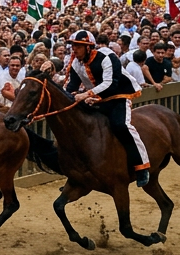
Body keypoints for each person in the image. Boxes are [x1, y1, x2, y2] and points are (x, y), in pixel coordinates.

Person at [65, 30, 151, 187]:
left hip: (119, 95)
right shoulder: (76, 63)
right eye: (73, 46)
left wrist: (87, 94)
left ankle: (142, 166)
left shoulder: (106, 56)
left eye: (78, 46)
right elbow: (72, 86)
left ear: (89, 47)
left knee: (121, 125)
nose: (74, 49)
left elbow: (111, 84)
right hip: (98, 98)